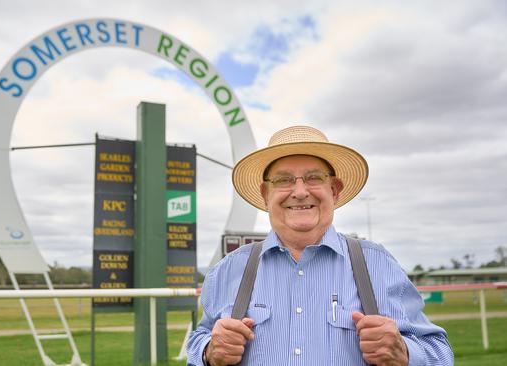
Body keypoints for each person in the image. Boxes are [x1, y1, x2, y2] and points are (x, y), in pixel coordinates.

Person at [187, 126, 453, 365]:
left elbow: (439, 353)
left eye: (314, 178)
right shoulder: (228, 270)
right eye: (283, 180)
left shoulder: (376, 263)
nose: (300, 191)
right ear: (265, 194)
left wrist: (404, 352)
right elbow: (199, 342)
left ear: (334, 190)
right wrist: (209, 352)